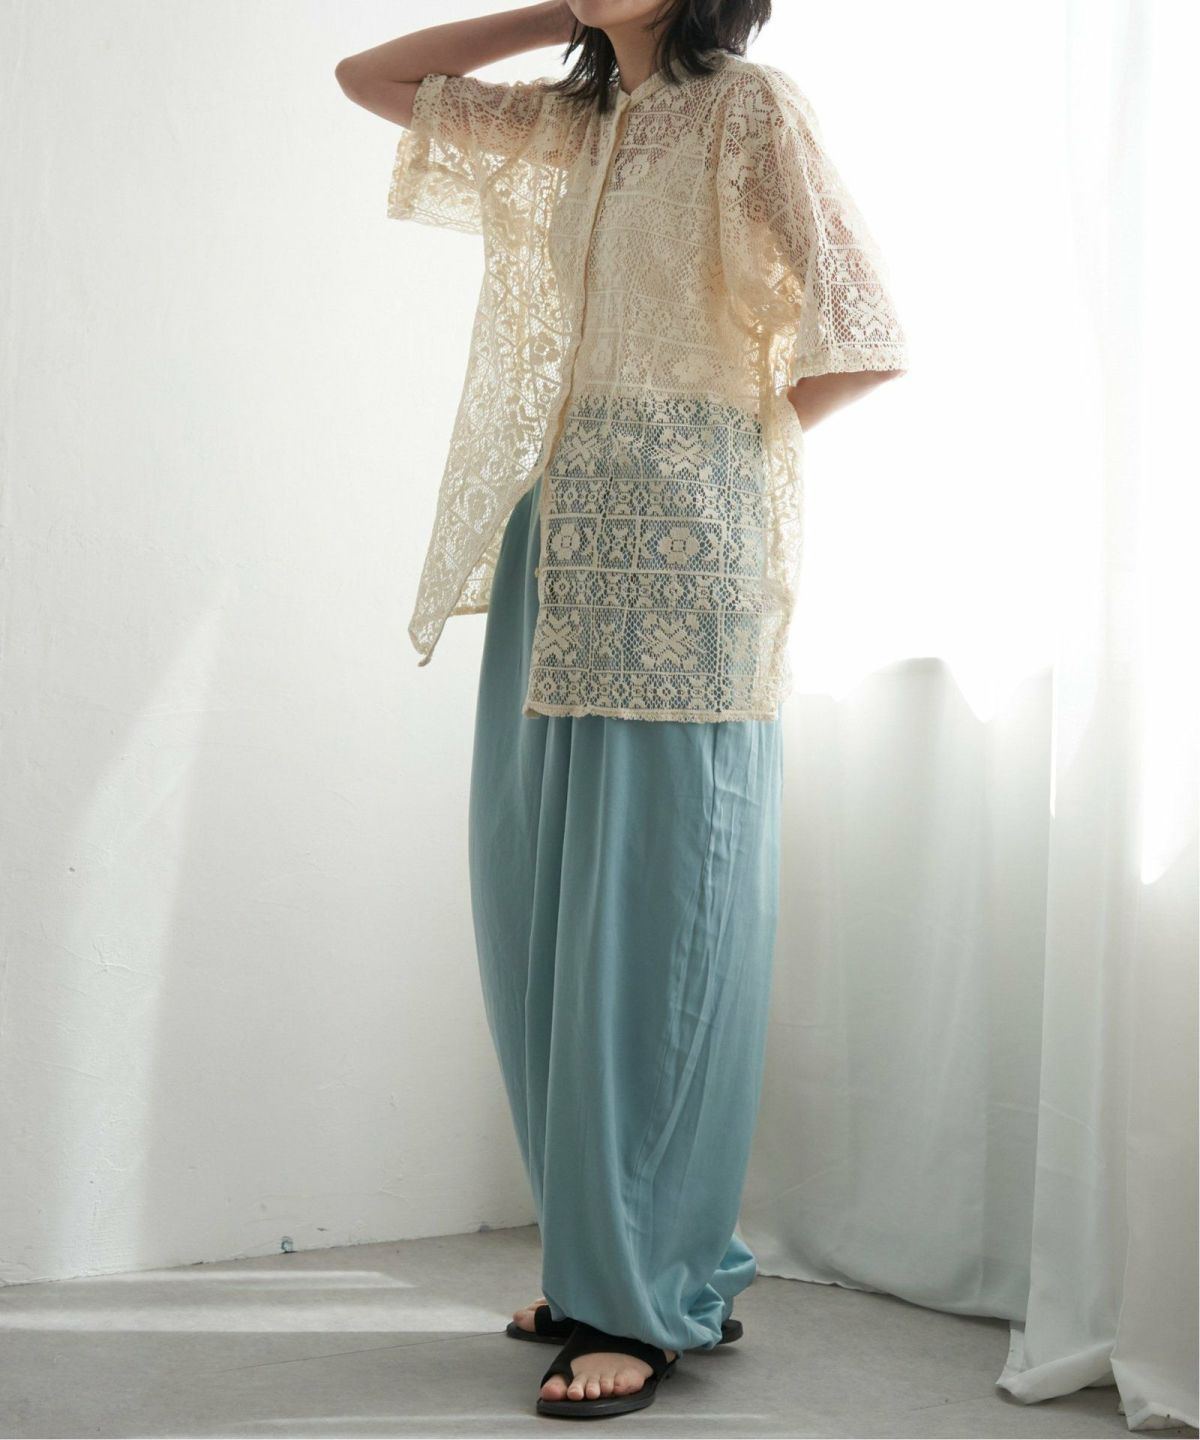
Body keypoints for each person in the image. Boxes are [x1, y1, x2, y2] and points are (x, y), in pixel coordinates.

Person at [336, 0, 908, 1419]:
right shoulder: (571, 121)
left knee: (659, 921)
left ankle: (640, 1301)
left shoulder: (750, 109)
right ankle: (613, 1254)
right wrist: (568, 10)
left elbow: (864, 330)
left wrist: (717, 453)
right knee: (541, 914)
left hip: (682, 554)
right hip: (557, 547)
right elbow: (370, 77)